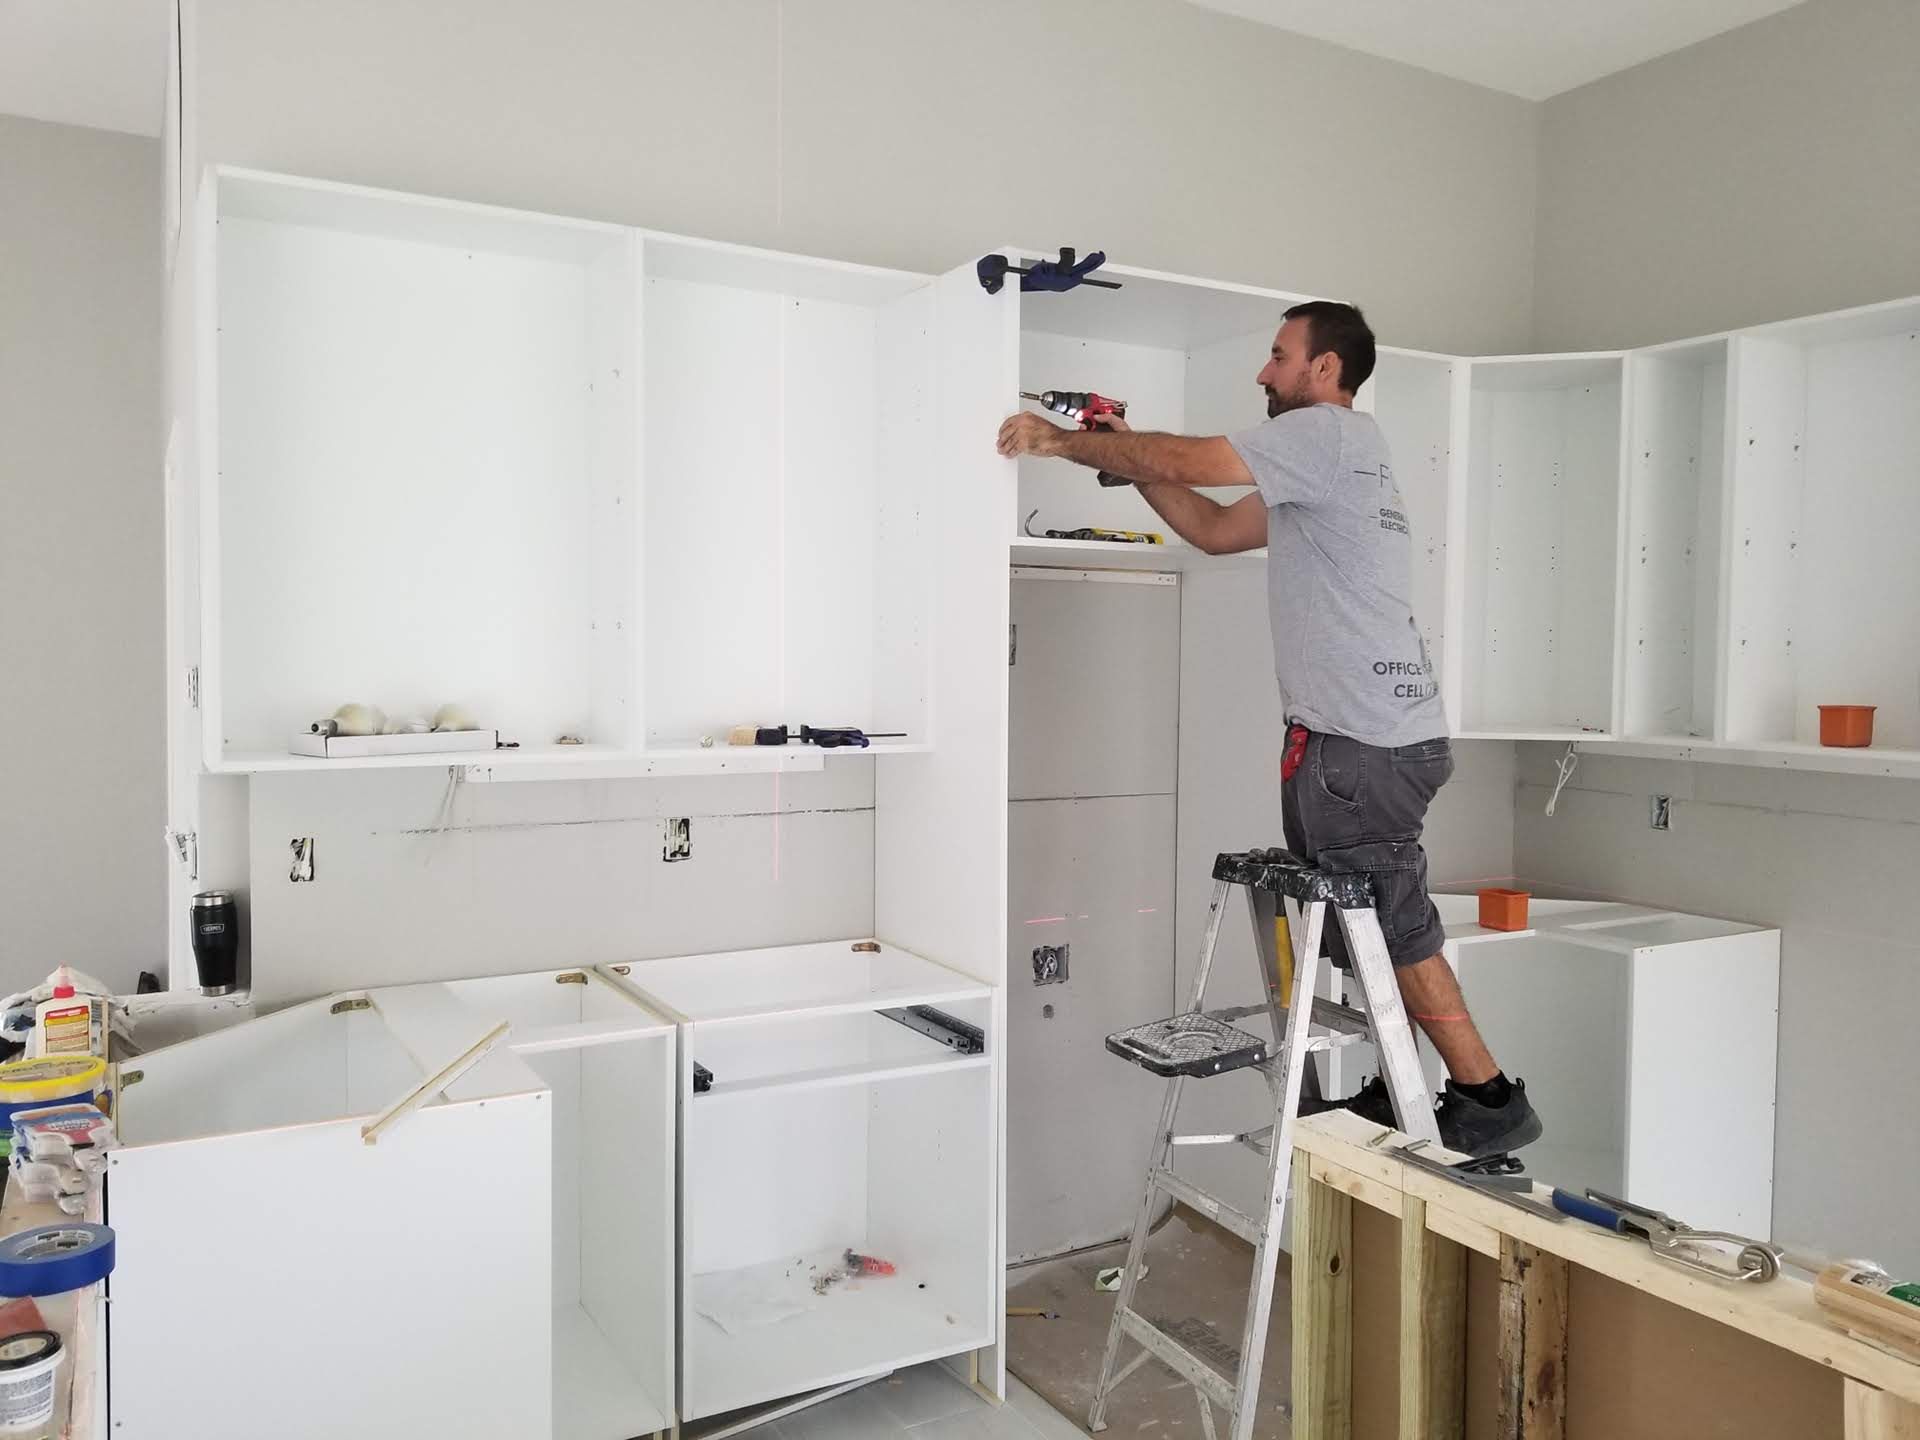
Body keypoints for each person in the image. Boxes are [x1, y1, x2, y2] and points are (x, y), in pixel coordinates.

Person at [994, 300, 1542, 1158]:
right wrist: (1127, 452)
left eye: (1279, 356)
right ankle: (1410, 1084)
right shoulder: (1338, 462)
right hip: (1377, 739)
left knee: (1395, 925)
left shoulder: (1325, 435)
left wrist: (1061, 441)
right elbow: (1213, 529)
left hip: (1359, 746)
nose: (1263, 373)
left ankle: (1483, 1095)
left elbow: (1194, 461)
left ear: (1326, 372)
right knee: (1379, 922)